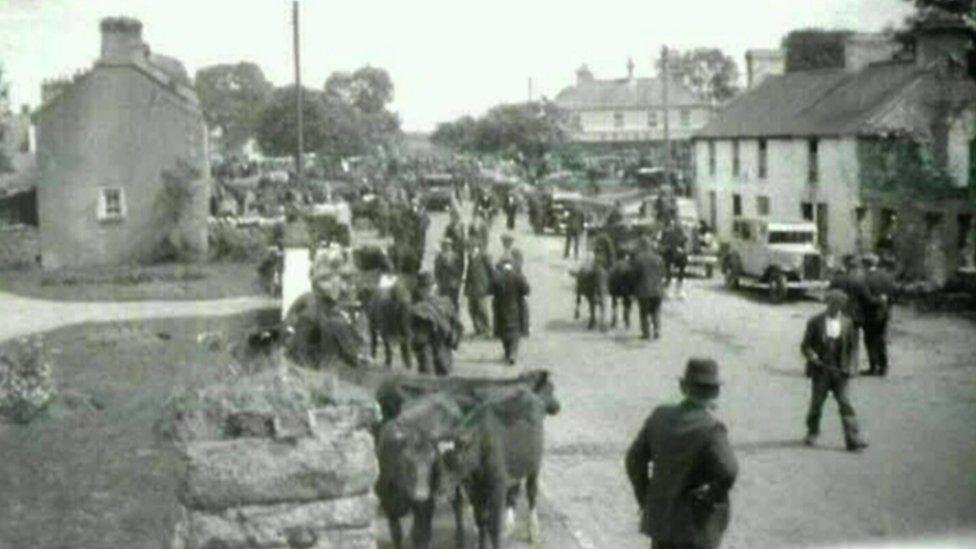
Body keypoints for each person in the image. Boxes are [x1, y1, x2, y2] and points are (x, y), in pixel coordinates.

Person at [625, 358, 739, 549]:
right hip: (695, 527)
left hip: (661, 520)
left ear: (683, 387)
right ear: (715, 392)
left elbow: (634, 460)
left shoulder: (659, 416)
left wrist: (646, 496)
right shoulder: (711, 428)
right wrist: (710, 497)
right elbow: (729, 471)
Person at [801, 289, 869, 452]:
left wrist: (852, 367)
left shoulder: (848, 323)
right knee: (817, 404)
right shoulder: (815, 322)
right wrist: (812, 355)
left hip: (840, 372)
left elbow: (853, 349)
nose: (836, 308)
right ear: (827, 303)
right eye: (833, 304)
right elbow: (805, 346)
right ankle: (812, 431)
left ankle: (853, 439)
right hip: (821, 371)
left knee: (845, 403)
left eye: (839, 305)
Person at [284, 246, 364, 369]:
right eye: (327, 281)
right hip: (307, 361)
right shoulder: (312, 307)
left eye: (344, 280)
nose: (344, 286)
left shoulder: (333, 309)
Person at [409, 272, 462, 376]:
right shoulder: (446, 303)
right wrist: (453, 340)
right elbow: (457, 326)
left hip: (432, 347)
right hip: (439, 347)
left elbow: (418, 337)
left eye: (427, 288)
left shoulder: (419, 307)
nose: (427, 291)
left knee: (430, 376)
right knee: (441, 375)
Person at [491, 258, 530, 365]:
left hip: (501, 308)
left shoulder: (497, 277)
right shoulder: (518, 276)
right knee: (515, 331)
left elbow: (491, 290)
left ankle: (507, 352)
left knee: (503, 331)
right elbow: (526, 290)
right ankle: (513, 353)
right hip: (516, 307)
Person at [862, 254, 896, 376]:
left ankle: (873, 366)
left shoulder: (865, 278)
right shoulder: (886, 277)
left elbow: (865, 297)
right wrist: (887, 305)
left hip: (869, 312)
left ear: (866, 264)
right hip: (884, 312)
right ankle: (884, 366)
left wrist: (875, 301)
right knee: (881, 339)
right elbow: (893, 294)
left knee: (870, 339)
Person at [633, 237, 665, 340]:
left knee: (644, 312)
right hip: (657, 290)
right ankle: (657, 331)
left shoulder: (638, 259)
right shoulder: (659, 258)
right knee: (656, 310)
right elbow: (663, 274)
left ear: (642, 246)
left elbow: (635, 275)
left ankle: (646, 333)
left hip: (643, 291)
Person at [464, 242, 494, 337]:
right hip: (472, 288)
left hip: (481, 287)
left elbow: (491, 271)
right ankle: (478, 329)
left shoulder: (483, 256)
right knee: (472, 309)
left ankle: (487, 329)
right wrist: (466, 288)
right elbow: (469, 273)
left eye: (469, 247)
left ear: (475, 247)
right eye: (467, 247)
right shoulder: (470, 256)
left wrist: (491, 286)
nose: (468, 249)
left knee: (482, 309)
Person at [660, 218, 689, 299]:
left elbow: (684, 240)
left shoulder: (678, 231)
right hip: (669, 253)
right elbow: (663, 244)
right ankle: (666, 290)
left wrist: (680, 247)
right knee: (668, 272)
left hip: (677, 253)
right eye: (670, 225)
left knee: (682, 266)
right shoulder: (665, 232)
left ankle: (678, 290)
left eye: (672, 225)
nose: (671, 226)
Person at [434, 239, 463, 309]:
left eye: (448, 245)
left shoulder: (456, 257)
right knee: (443, 301)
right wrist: (437, 281)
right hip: (443, 283)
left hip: (453, 283)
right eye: (444, 245)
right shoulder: (439, 257)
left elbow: (459, 271)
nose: (446, 247)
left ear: (451, 246)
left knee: (453, 301)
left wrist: (449, 266)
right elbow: (436, 270)